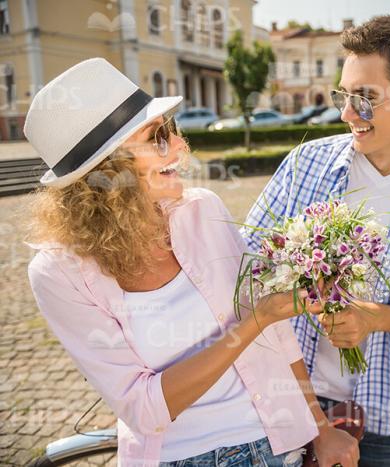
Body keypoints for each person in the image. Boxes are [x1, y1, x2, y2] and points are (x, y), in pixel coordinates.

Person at [24, 58, 359, 467]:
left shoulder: (203, 210)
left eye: (172, 130)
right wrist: (258, 318)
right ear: (107, 173)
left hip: (279, 447)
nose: (181, 147)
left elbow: (279, 340)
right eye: (158, 137)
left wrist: (321, 429)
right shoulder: (59, 273)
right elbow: (144, 410)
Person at [244, 16, 390, 467]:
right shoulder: (305, 164)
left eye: (367, 98)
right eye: (344, 95)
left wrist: (374, 318)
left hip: (389, 414)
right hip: (288, 399)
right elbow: (248, 258)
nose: (347, 113)